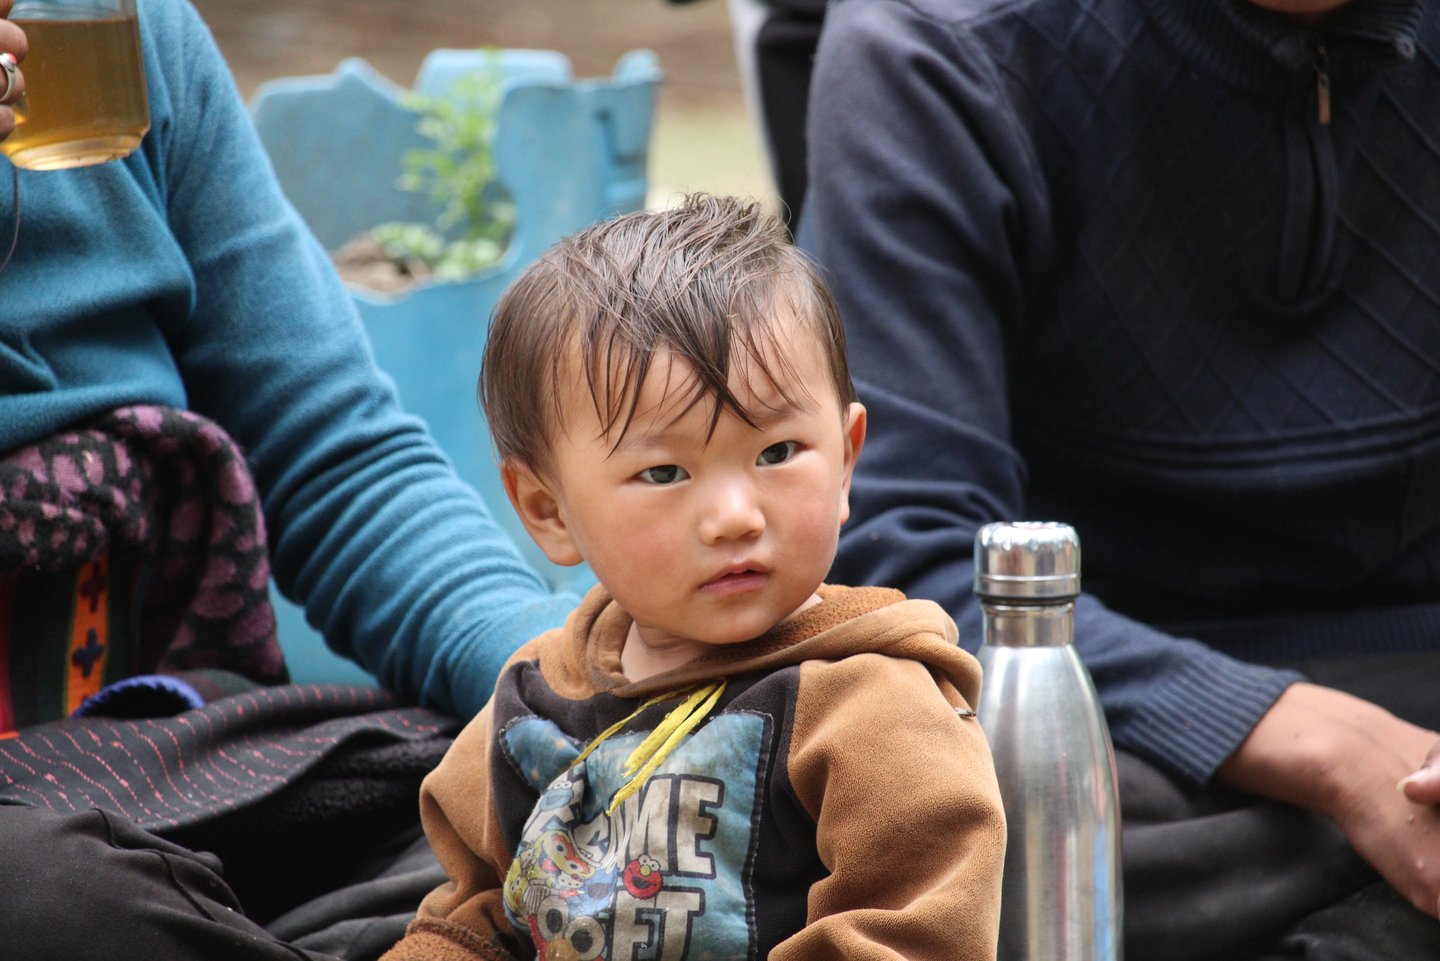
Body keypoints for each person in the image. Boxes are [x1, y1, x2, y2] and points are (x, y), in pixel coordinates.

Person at [800, 0, 1440, 957]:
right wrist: (1327, 750)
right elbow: (895, 547)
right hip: (1089, 705)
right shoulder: (935, 41)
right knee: (927, 822)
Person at [0, 0, 576, 958]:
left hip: (159, 771)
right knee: (41, 897)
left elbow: (335, 458)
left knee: (553, 830)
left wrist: (565, 684)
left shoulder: (131, 34)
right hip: (49, 871)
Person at [376, 195, 1006, 961]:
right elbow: (474, 913)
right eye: (665, 471)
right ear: (549, 511)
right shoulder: (535, 703)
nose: (735, 516)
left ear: (847, 457)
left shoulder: (871, 708)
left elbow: (910, 932)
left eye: (776, 453)